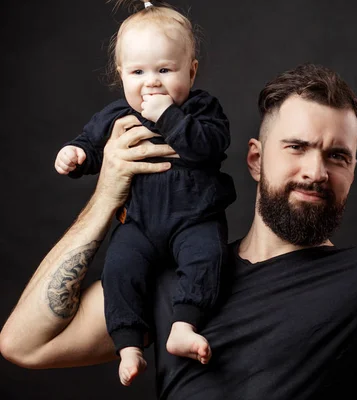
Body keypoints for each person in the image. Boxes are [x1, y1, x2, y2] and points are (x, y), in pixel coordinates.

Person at [0, 63, 357, 399]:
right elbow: (24, 343)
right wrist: (107, 198)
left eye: (338, 156)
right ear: (256, 160)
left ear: (354, 170)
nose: (316, 170)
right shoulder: (175, 280)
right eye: (298, 147)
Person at [52, 0, 236, 386]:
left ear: (192, 70)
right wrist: (77, 154)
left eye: (165, 70)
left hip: (194, 219)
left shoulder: (201, 109)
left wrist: (169, 116)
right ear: (121, 75)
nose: (151, 82)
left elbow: (210, 145)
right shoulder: (117, 116)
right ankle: (129, 344)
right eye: (138, 71)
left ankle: (184, 326)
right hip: (138, 224)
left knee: (209, 257)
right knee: (119, 269)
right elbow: (92, 145)